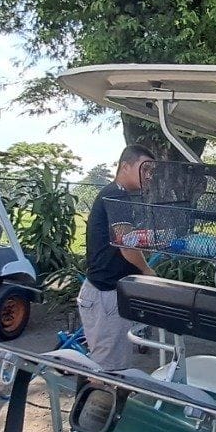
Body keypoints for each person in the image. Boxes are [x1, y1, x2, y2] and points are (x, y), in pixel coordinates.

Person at [78, 144, 157, 369]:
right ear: (125, 166)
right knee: (107, 370)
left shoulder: (118, 195)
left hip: (107, 293)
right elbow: (127, 244)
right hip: (105, 295)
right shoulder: (116, 195)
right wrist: (146, 270)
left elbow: (125, 238)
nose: (149, 176)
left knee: (110, 365)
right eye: (144, 169)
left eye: (151, 171)